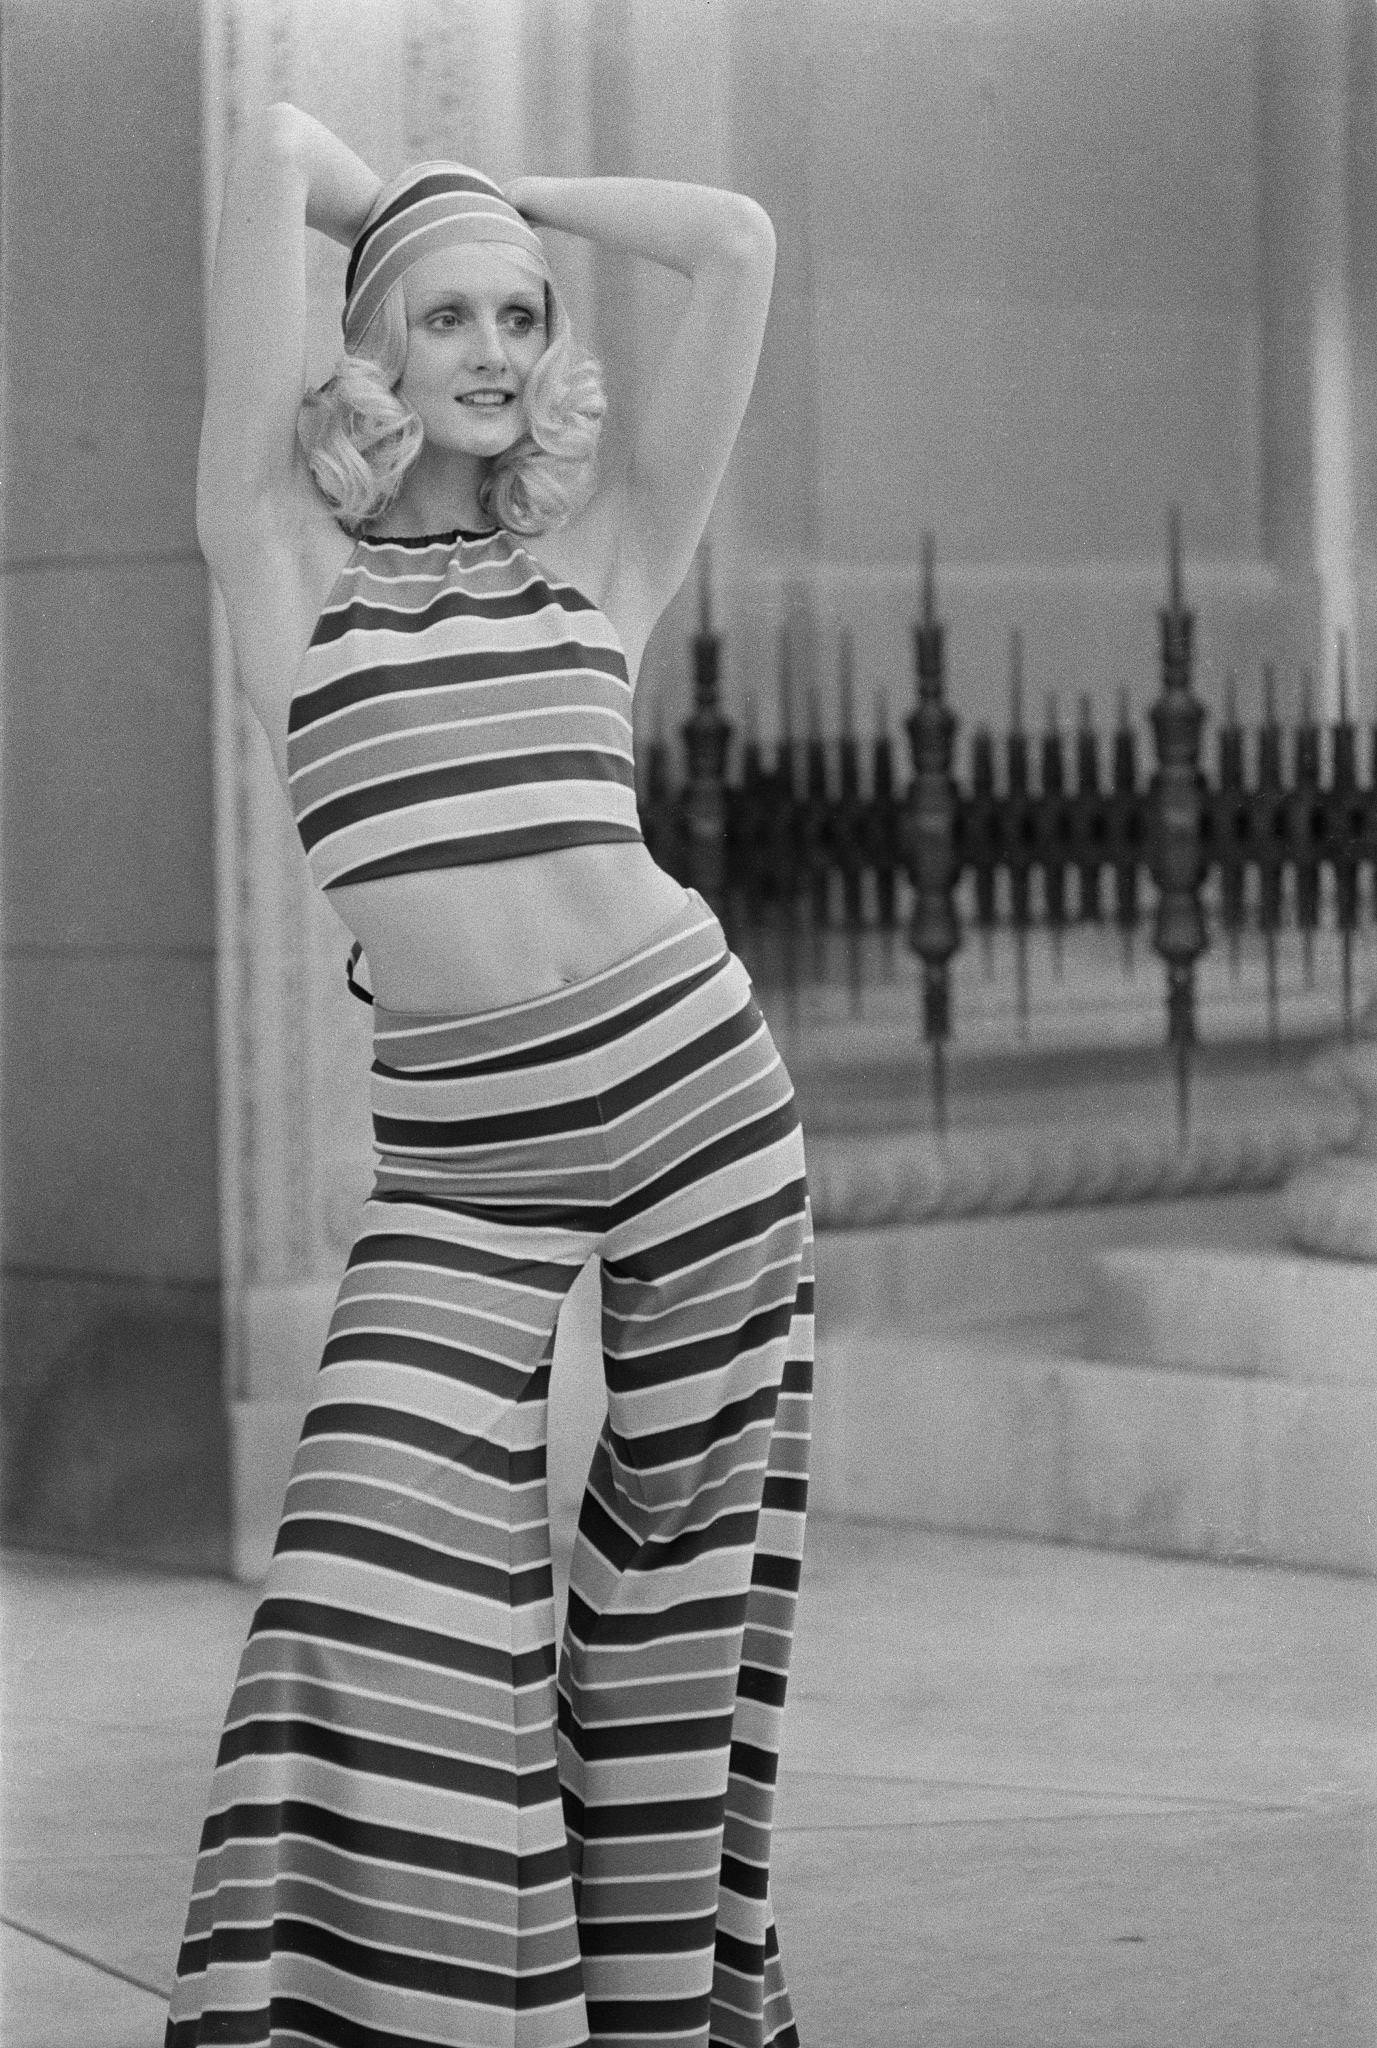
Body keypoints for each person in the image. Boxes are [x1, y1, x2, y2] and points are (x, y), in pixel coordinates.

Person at [166, 101, 814, 2048]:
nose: (494, 347)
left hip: (698, 1102)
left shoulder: (602, 559)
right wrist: (410, 206)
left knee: (674, 1598)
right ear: (365, 348)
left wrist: (503, 199)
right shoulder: (281, 566)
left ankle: (656, 2018)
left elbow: (734, 240)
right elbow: (274, 143)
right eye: (444, 314)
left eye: (521, 315)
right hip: (463, 1166)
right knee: (359, 1583)